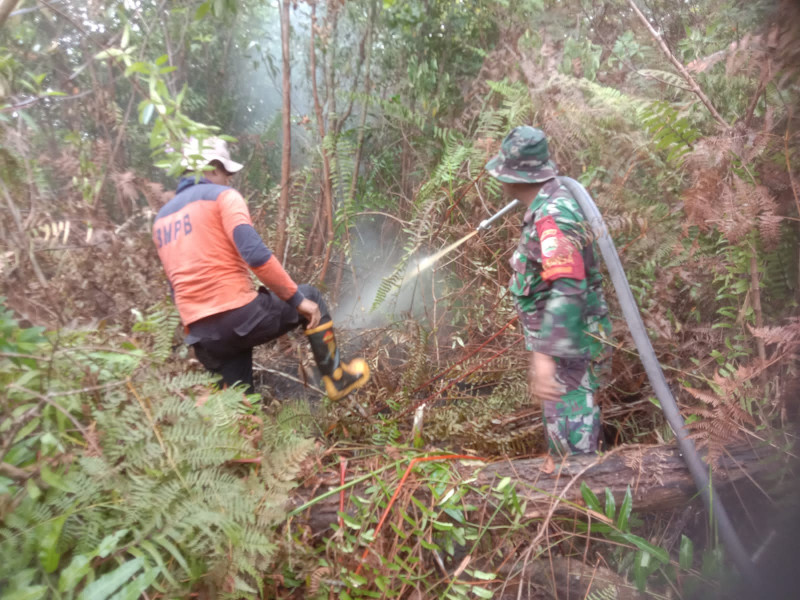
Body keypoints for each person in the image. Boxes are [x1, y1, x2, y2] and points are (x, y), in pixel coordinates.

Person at [152, 136, 370, 399]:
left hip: (202, 336)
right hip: (238, 318)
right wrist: (297, 300)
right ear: (212, 168)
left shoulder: (161, 219)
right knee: (311, 297)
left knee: (240, 408)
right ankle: (338, 379)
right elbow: (255, 255)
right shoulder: (223, 197)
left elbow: (174, 285)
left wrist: (195, 328)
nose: (229, 181)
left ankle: (245, 423)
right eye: (226, 173)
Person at [484, 126, 611, 455]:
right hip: (565, 349)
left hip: (569, 353)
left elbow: (568, 286)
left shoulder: (553, 216)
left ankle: (584, 486)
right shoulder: (547, 206)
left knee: (573, 451)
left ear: (513, 176)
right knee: (566, 436)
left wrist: (544, 356)